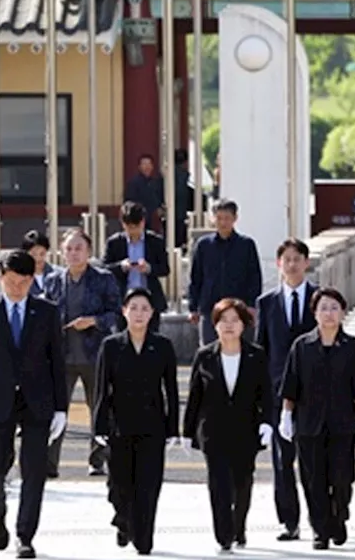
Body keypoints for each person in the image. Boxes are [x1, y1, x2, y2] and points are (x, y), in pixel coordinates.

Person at [278, 287, 355, 550]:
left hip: (342, 424)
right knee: (313, 479)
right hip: (309, 424)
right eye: (323, 308)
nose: (329, 313)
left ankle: (339, 515)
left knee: (342, 477)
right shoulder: (302, 346)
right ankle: (320, 530)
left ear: (343, 312)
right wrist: (286, 415)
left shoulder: (352, 346)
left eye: (334, 308)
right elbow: (291, 386)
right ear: (315, 313)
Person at [0, 250, 67, 559]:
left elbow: (56, 361)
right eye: (11, 281)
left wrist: (61, 407)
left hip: (38, 400)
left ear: (32, 279)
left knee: (34, 471)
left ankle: (26, 535)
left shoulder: (46, 312)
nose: (17, 288)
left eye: (24, 281)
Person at [92, 288, 180, 556]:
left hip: (153, 425)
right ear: (124, 311)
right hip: (119, 424)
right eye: (134, 308)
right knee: (119, 484)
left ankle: (143, 536)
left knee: (149, 484)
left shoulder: (162, 345)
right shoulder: (111, 345)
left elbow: (172, 390)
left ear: (152, 313)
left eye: (145, 308)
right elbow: (101, 388)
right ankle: (123, 520)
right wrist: (99, 427)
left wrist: (172, 428)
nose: (139, 313)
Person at [183, 298, 272, 553]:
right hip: (213, 431)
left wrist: (267, 422)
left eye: (235, 320)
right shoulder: (205, 356)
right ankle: (223, 534)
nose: (229, 326)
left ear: (244, 325)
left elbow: (265, 394)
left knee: (242, 483)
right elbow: (194, 397)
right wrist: (187, 433)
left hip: (246, 430)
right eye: (224, 320)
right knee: (218, 484)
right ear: (215, 325)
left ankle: (239, 526)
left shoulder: (256, 355)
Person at [43, 228, 122, 478]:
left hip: (95, 355)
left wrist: (93, 321)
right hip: (62, 357)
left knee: (98, 410)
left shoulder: (103, 278)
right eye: (69, 248)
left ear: (89, 251)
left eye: (79, 248)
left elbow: (116, 313)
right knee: (57, 411)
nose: (73, 253)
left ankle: (96, 461)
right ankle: (48, 463)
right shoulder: (54, 280)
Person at [254, 238, 317, 541]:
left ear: (306, 262)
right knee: (282, 461)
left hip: (315, 394)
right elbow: (261, 351)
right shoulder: (266, 303)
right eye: (286, 260)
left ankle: (320, 518)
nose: (291, 265)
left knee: (314, 461)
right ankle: (289, 521)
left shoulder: (321, 299)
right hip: (279, 394)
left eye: (297, 259)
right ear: (278, 265)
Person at [188, 199, 263, 344]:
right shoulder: (203, 245)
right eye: (219, 218)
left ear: (235, 218)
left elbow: (254, 277)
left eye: (227, 218)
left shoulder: (246, 245)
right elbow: (196, 278)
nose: (223, 223)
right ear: (213, 218)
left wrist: (252, 305)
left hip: (239, 310)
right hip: (209, 309)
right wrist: (193, 307)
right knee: (209, 355)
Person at [103, 202, 171, 333]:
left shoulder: (155, 241)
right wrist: (120, 267)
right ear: (123, 224)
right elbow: (105, 268)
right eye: (129, 227)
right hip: (123, 299)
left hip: (149, 298)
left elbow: (165, 269)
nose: (133, 231)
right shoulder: (114, 243)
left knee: (151, 339)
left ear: (143, 222)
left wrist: (149, 268)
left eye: (137, 226)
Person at [21, 231, 57, 298]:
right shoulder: (20, 276)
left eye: (42, 254)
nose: (38, 258)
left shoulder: (58, 274)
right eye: (33, 254)